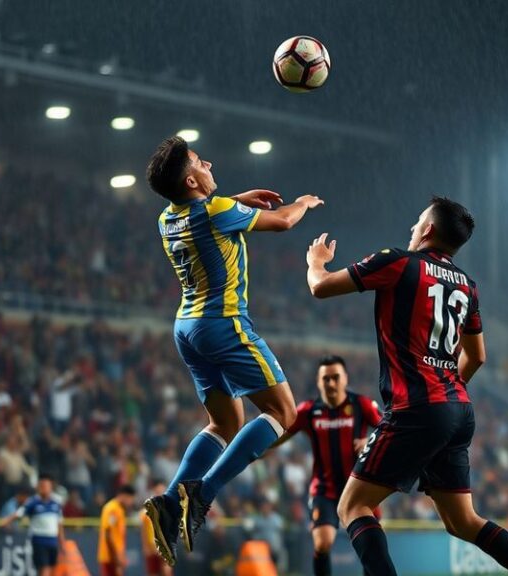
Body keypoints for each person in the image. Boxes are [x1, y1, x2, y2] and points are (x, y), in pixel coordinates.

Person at [304, 197, 508, 576]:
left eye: (418, 222)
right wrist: (444, 391)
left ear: (429, 230)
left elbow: (320, 288)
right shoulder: (467, 285)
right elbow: (477, 356)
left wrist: (315, 262)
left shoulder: (399, 262)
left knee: (352, 506)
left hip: (416, 407)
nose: (412, 229)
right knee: (463, 521)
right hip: (458, 409)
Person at [142, 135, 324, 561]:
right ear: (190, 179)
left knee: (224, 423)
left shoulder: (167, 218)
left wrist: (238, 199)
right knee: (283, 413)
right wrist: (301, 203)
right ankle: (202, 496)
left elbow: (204, 212)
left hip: (187, 328)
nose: (207, 163)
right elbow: (281, 222)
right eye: (199, 162)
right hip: (223, 323)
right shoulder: (217, 211)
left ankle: (171, 502)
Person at [272, 355, 381, 576]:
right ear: (318, 381)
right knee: (322, 544)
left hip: (358, 489)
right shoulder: (309, 410)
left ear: (345, 379)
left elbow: (388, 433)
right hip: (325, 489)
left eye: (335, 377)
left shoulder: (362, 405)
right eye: (326, 379)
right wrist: (252, 449)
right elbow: (277, 437)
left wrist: (370, 441)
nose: (331, 383)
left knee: (371, 547)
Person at [1, 474, 65, 576]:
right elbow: (19, 513)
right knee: (44, 568)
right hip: (40, 540)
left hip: (53, 541)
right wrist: (6, 521)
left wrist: (62, 542)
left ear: (51, 487)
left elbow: (59, 524)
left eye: (46, 486)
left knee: (51, 569)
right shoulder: (33, 502)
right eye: (42, 486)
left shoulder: (56, 503)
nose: (44, 488)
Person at [98, 484, 136, 576]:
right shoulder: (112, 509)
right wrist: (116, 558)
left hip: (116, 557)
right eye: (130, 499)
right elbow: (108, 534)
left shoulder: (119, 509)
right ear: (123, 496)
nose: (131, 502)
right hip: (110, 557)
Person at [142, 480, 173, 576]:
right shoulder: (146, 512)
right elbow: (145, 533)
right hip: (153, 550)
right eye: (158, 491)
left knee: (166, 570)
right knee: (153, 572)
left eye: (162, 491)